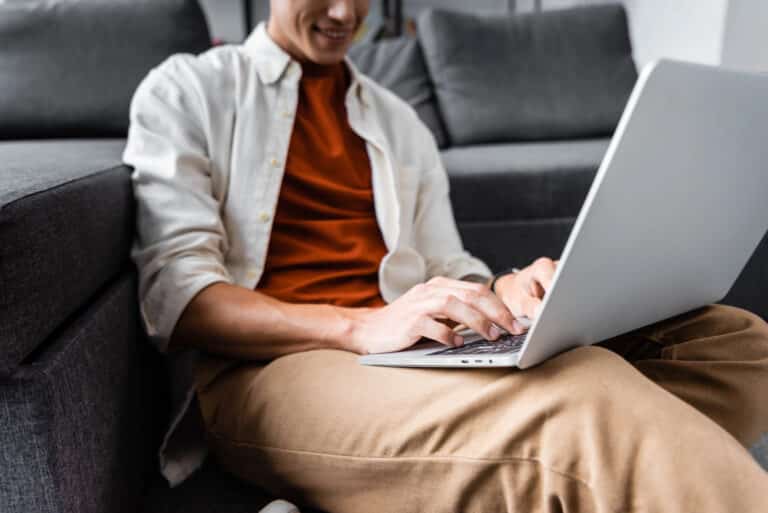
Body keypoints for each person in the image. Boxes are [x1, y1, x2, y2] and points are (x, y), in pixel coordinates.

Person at [123, 0, 768, 511]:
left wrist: (510, 292)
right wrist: (361, 326)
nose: (345, 13)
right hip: (273, 370)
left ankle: (530, 469)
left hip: (417, 349)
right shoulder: (187, 90)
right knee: (585, 391)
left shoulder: (399, 122)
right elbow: (181, 302)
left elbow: (448, 268)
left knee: (735, 343)